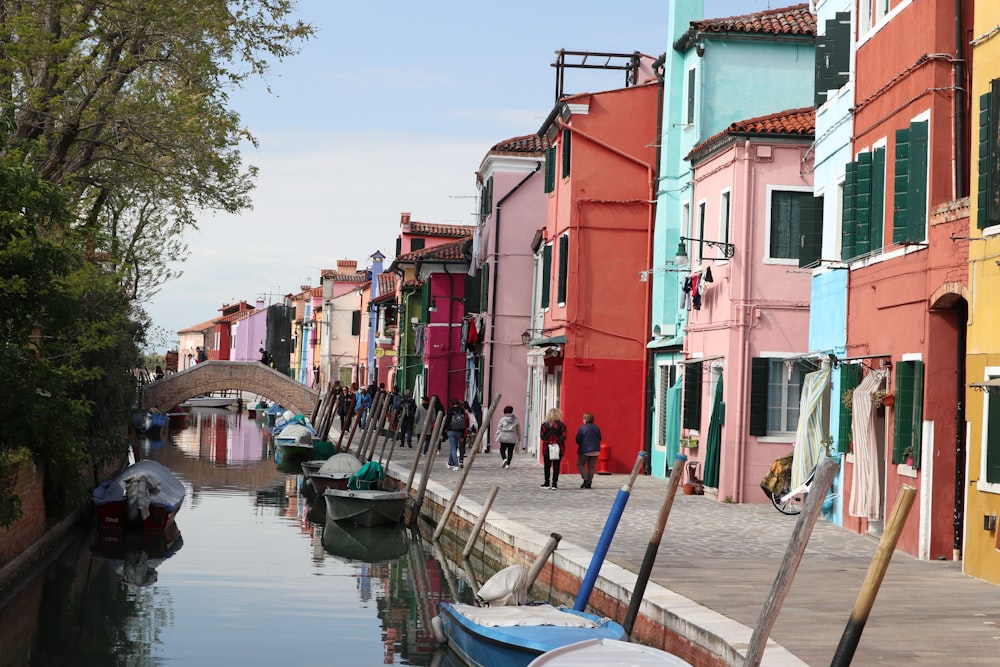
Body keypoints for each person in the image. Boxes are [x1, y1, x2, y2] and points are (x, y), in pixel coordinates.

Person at [539, 408, 567, 490]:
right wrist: (557, 441)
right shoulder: (561, 425)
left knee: (547, 466)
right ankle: (554, 483)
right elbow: (564, 436)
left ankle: (547, 483)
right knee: (556, 466)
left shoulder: (545, 425)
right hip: (559, 447)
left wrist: (548, 441)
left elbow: (542, 436)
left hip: (547, 447)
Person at [575, 412, 602, 489]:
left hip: (585, 450)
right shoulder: (597, 428)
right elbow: (600, 438)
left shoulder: (582, 428)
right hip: (595, 450)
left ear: (585, 419)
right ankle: (589, 482)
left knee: (580, 464)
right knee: (591, 467)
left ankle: (586, 479)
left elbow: (578, 439)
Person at [445, 398, 468, 471]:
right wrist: (462, 435)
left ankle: (456, 464)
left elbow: (447, 420)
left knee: (453, 448)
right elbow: (464, 423)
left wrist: (443, 430)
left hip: (451, 430)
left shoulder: (450, 410)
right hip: (459, 431)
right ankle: (449, 463)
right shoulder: (462, 410)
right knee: (454, 447)